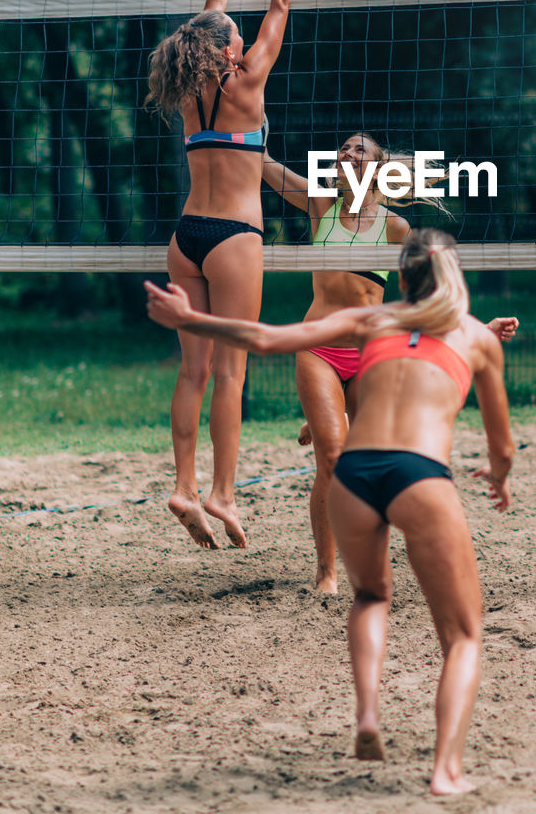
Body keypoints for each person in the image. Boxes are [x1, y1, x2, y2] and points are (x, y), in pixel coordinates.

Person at [144, 228, 514, 796]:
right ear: (454, 276)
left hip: (354, 477)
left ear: (401, 276)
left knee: (370, 597)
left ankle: (367, 714)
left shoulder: (373, 322)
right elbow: (503, 448)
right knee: (464, 635)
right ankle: (446, 770)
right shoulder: (475, 337)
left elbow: (266, 338)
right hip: (419, 476)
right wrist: (500, 476)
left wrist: (190, 319)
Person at [144, 0, 328, 550]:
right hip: (233, 239)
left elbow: (208, 13)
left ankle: (183, 484)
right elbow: (280, 1)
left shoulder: (190, 85)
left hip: (185, 237)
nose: (243, 36)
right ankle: (221, 492)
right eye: (237, 36)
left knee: (190, 371)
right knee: (230, 373)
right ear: (227, 50)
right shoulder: (249, 81)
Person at [262, 136, 518, 593]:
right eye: (342, 149)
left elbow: (429, 294)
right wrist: (244, 119)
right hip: (318, 347)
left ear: (380, 169)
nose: (346, 154)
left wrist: (478, 328)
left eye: (358, 150)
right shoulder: (320, 204)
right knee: (333, 459)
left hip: (367, 354)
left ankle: (326, 424)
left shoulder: (395, 227)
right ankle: (327, 572)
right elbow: (264, 164)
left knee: (367, 460)